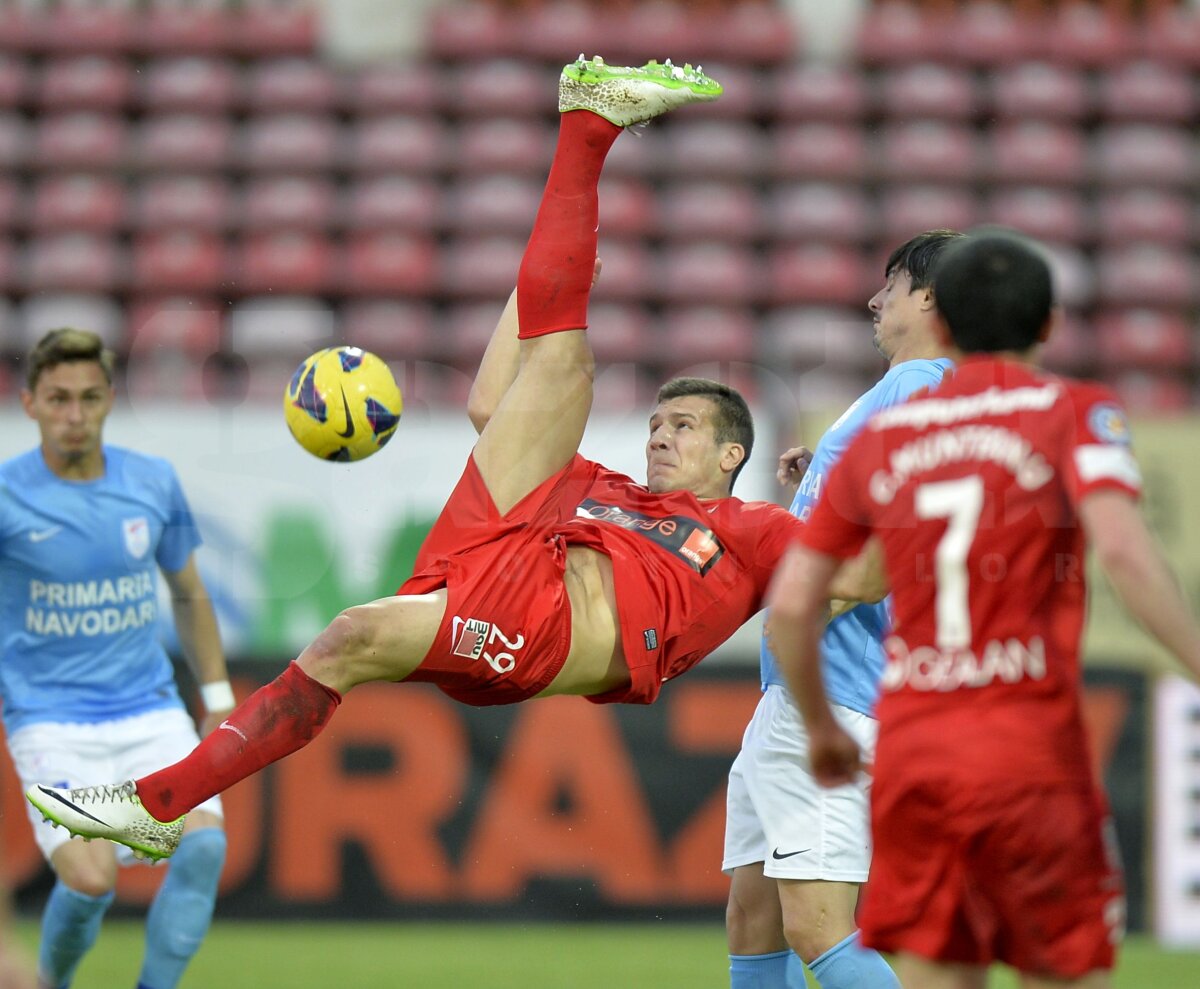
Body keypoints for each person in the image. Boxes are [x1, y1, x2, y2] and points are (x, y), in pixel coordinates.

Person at [25, 59, 878, 871]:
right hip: (513, 568)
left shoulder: (755, 526)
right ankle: (153, 810)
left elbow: (854, 578)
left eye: (683, 426)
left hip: (550, 629)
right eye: (656, 421)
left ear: (734, 452)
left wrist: (843, 495)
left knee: (559, 377)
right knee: (364, 617)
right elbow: (486, 407)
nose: (659, 435)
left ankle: (587, 127)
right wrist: (540, 295)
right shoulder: (604, 489)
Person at [766, 231, 1200, 989]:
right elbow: (1127, 555)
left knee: (942, 970)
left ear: (949, 317)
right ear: (1048, 326)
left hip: (918, 746)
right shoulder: (1075, 411)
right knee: (1058, 968)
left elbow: (797, 600)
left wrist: (822, 726)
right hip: (1026, 739)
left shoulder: (884, 436)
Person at [723, 229, 962, 989]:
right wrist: (812, 483)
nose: (873, 299)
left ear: (929, 295)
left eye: (889, 286)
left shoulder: (925, 383)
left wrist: (822, 602)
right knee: (753, 920)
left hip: (835, 685)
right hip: (799, 687)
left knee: (818, 925)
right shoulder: (898, 387)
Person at [1, 329, 233, 989]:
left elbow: (188, 592)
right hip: (50, 722)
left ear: (109, 401)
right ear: (30, 404)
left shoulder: (152, 481)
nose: (75, 415)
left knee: (204, 845)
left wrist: (216, 698)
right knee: (92, 879)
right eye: (59, 399)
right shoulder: (7, 495)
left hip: (149, 711)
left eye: (89, 398)